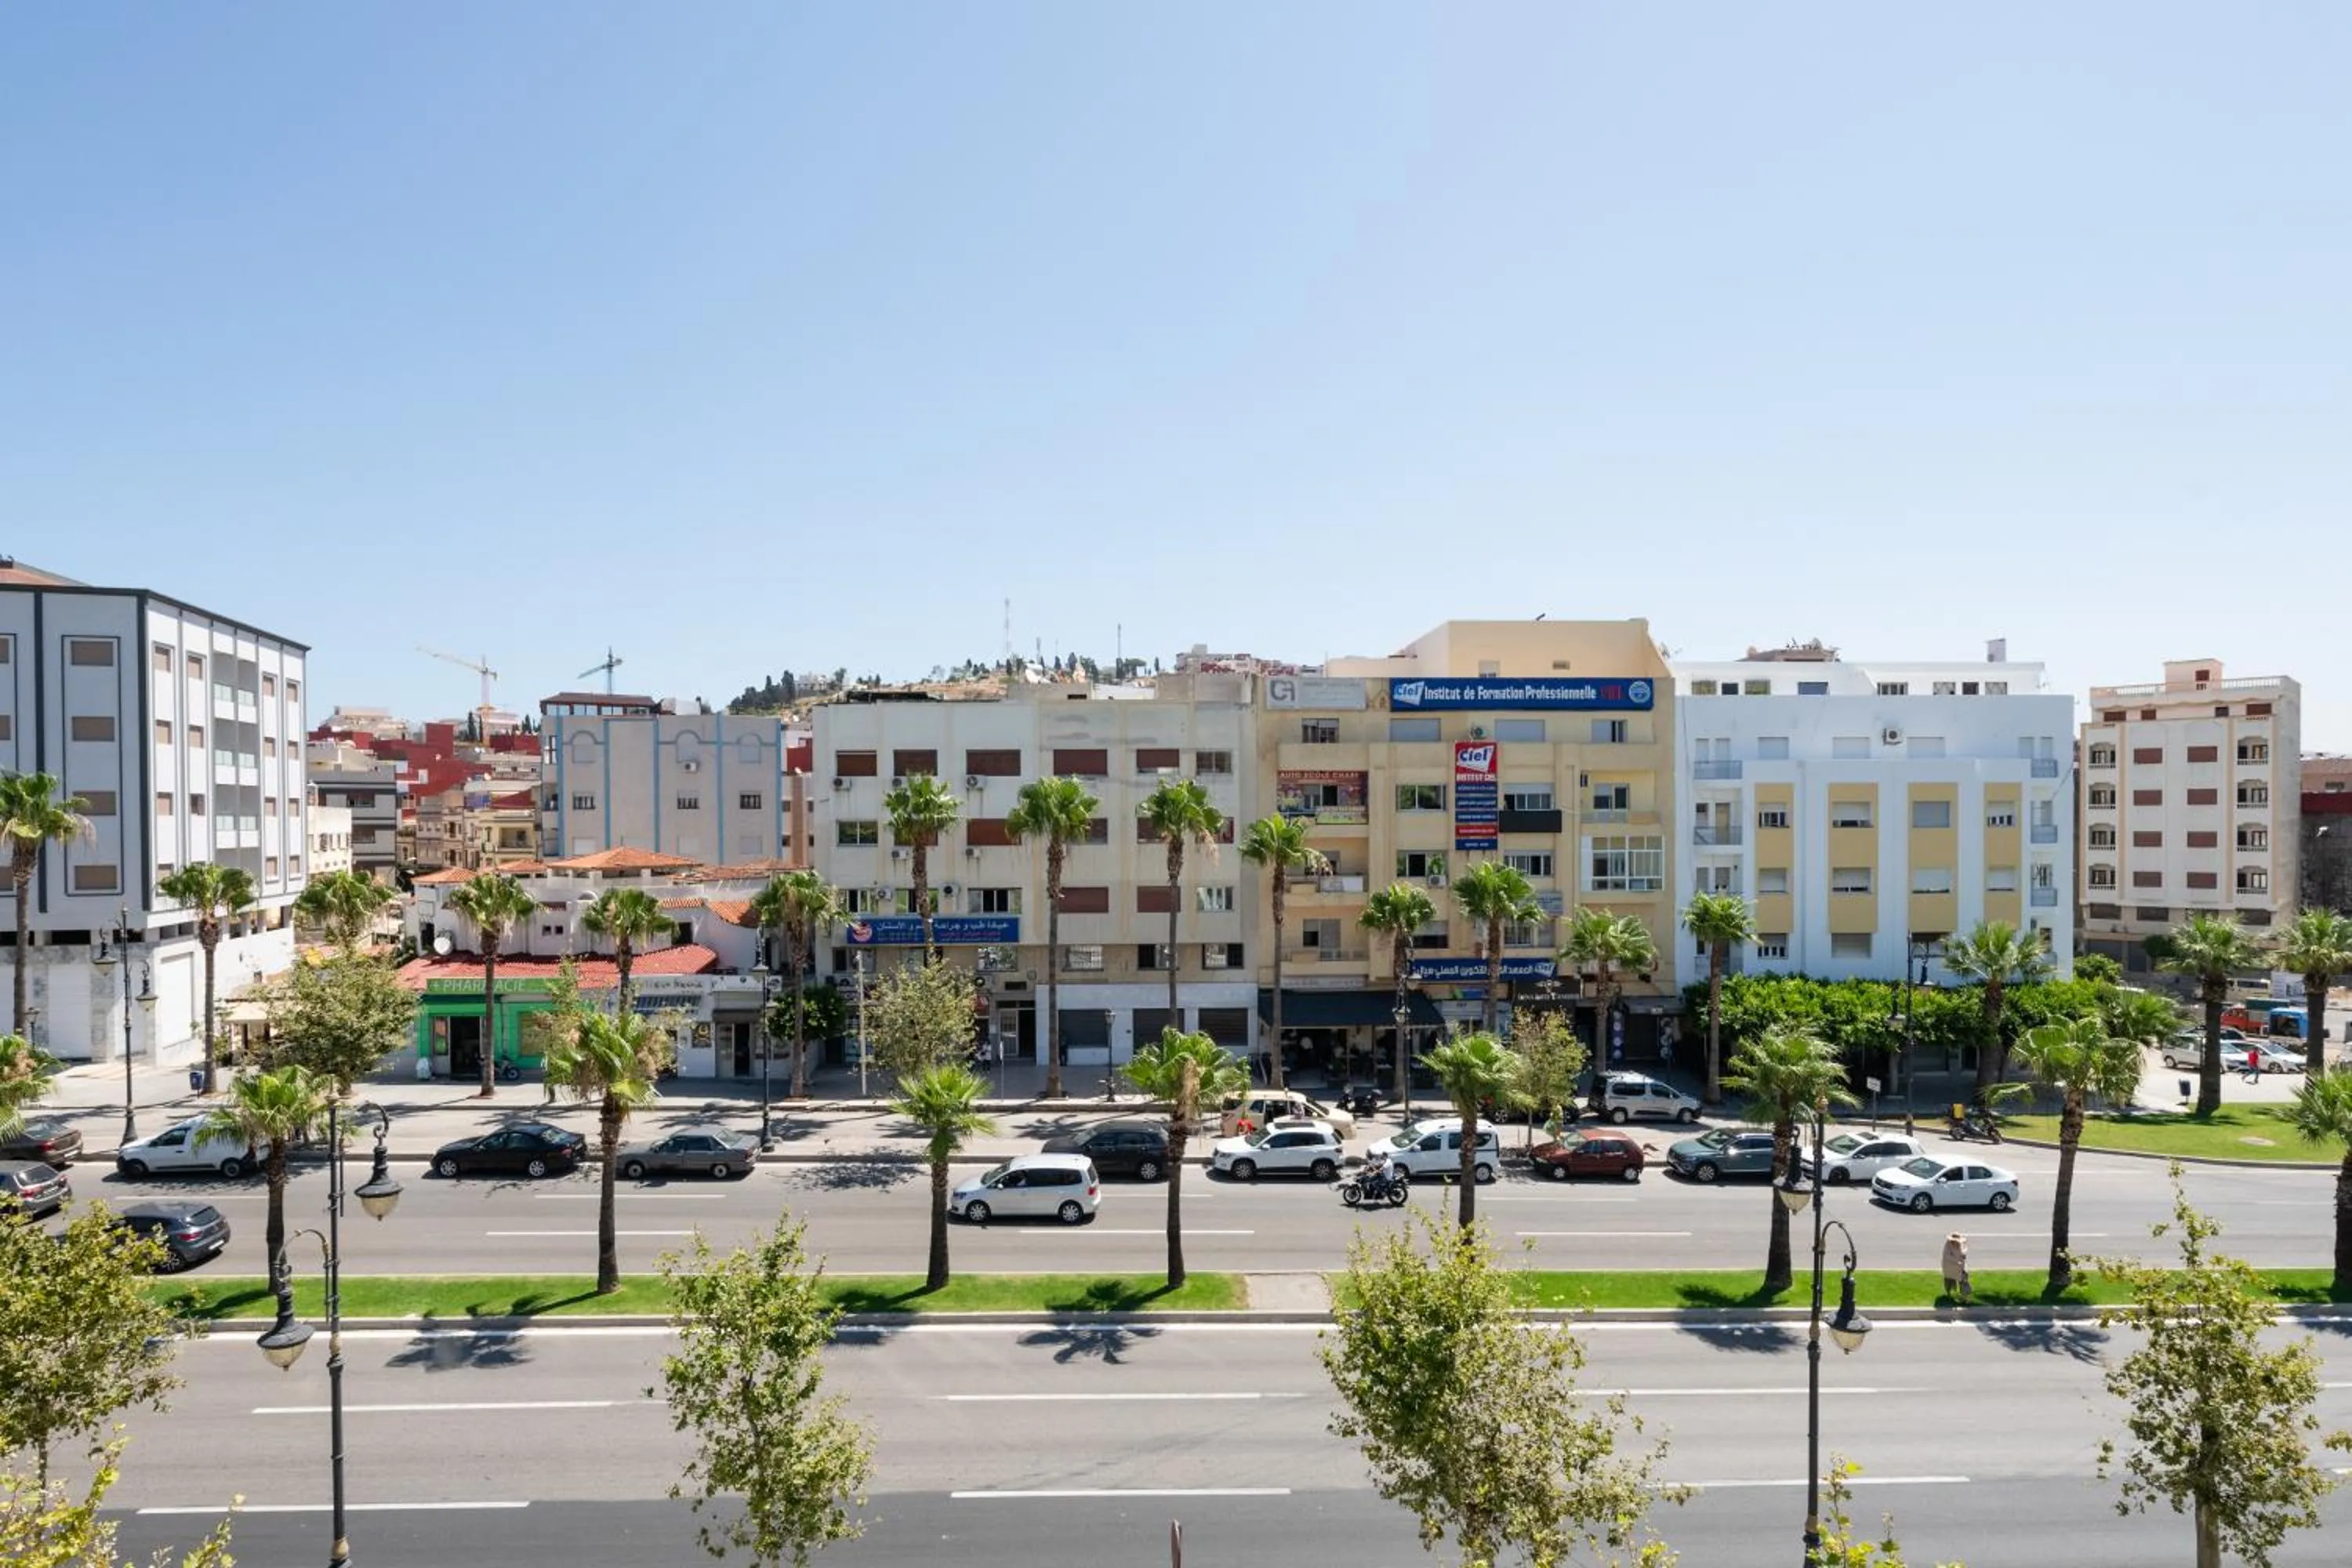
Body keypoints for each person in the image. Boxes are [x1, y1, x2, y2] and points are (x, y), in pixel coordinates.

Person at [1940, 1232, 1972, 1306]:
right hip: (1951, 1267)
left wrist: (1964, 1254)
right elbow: (1948, 1257)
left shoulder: (1960, 1245)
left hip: (1960, 1267)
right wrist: (1957, 1261)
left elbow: (1962, 1253)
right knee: (1949, 1280)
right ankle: (1951, 1294)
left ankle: (1965, 1297)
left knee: (1964, 1280)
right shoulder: (1948, 1246)